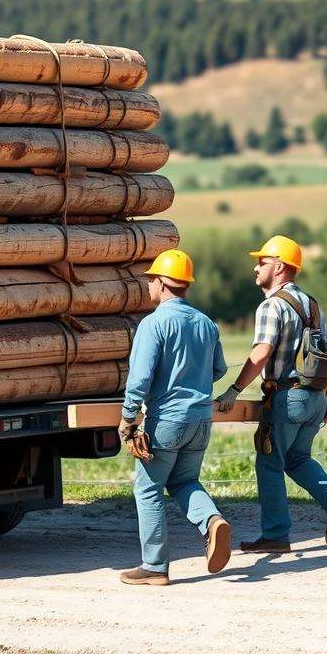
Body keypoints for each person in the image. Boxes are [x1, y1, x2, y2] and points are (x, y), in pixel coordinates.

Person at [215, 235, 327, 553]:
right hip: (315, 400)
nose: (256, 267)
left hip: (285, 398)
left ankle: (276, 535)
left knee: (269, 464)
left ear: (279, 267)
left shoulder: (271, 305)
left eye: (262, 262)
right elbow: (326, 356)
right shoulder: (314, 305)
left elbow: (262, 352)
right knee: (298, 458)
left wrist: (234, 390)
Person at [117, 249, 231, 586]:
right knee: (184, 481)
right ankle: (211, 521)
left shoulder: (153, 324)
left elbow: (139, 378)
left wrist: (128, 417)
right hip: (200, 420)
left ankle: (154, 566)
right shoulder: (206, 324)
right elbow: (219, 369)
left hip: (166, 420)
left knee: (148, 489)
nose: (148, 284)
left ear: (162, 284)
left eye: (151, 278)